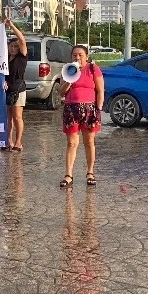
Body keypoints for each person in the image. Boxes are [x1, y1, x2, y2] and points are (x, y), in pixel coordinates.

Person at [58, 44, 104, 188]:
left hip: (89, 109)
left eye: (80, 55)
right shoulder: (68, 70)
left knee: (89, 142)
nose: (77, 57)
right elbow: (61, 92)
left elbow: (100, 90)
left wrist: (99, 109)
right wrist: (69, 81)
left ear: (86, 57)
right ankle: (68, 175)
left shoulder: (93, 69)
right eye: (74, 55)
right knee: (72, 143)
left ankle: (90, 173)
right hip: (71, 109)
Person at [5, 17, 27, 151]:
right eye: (11, 46)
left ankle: (19, 142)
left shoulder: (22, 56)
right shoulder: (5, 58)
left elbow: (22, 40)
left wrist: (11, 26)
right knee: (9, 118)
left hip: (18, 90)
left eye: (15, 46)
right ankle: (9, 141)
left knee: (17, 117)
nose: (13, 48)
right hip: (7, 90)